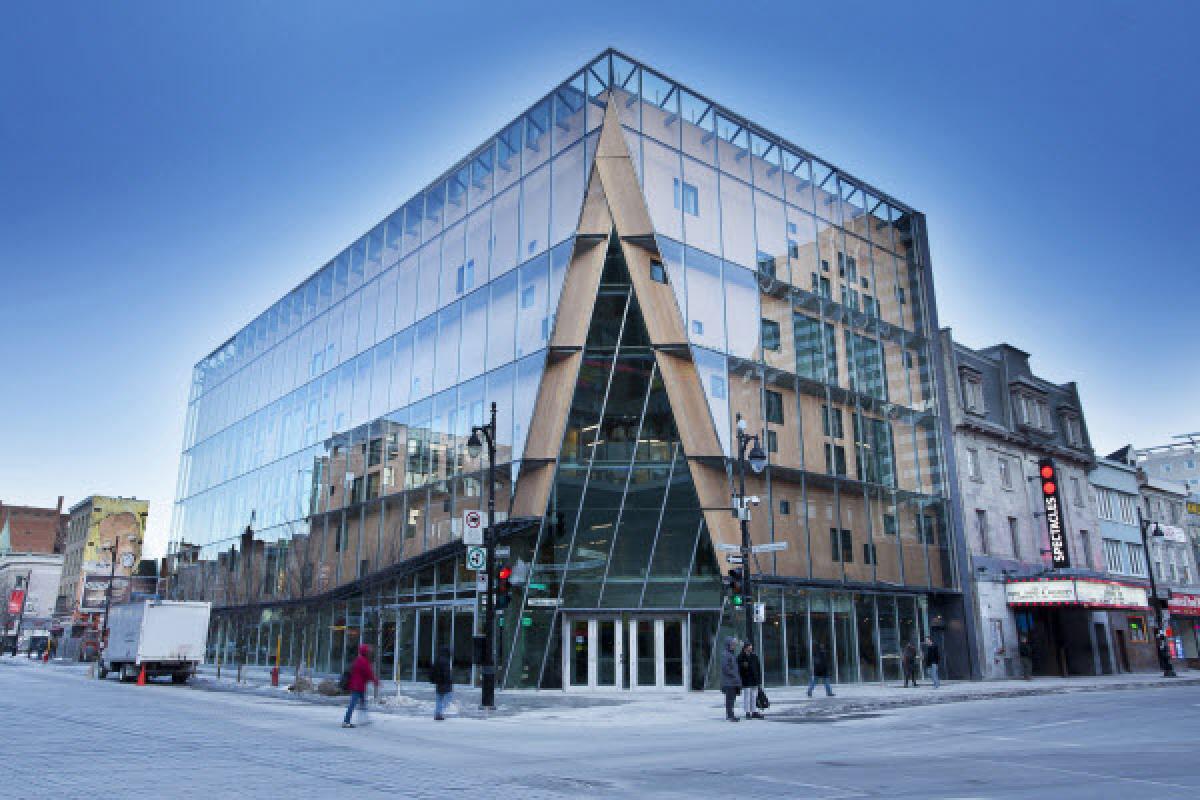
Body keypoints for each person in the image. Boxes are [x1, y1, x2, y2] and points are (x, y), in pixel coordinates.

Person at [342, 644, 379, 728]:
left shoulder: (359, 660)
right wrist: (376, 681)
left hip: (359, 686)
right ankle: (346, 721)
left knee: (363, 702)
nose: (370, 653)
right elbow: (369, 674)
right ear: (365, 652)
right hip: (357, 686)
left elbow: (366, 674)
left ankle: (364, 719)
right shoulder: (364, 661)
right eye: (368, 651)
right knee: (353, 704)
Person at [737, 642, 764, 720]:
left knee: (753, 696)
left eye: (751, 647)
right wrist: (743, 666)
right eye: (749, 647)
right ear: (745, 648)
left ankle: (754, 711)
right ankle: (747, 712)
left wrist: (759, 679)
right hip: (746, 680)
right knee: (747, 696)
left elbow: (758, 668)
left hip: (754, 680)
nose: (750, 649)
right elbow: (739, 669)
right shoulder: (741, 657)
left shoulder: (754, 656)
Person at [719, 637, 742, 722]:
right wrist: (733, 674)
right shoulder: (726, 654)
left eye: (734, 644)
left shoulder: (731, 654)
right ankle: (730, 715)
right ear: (728, 645)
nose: (733, 646)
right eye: (732, 644)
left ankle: (731, 714)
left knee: (732, 699)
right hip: (728, 682)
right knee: (729, 699)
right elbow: (725, 668)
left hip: (733, 681)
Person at [430, 646, 454, 720]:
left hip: (439, 683)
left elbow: (433, 671)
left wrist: (434, 680)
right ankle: (439, 713)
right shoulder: (445, 661)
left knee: (439, 698)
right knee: (448, 697)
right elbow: (446, 673)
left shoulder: (437, 660)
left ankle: (437, 714)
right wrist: (450, 681)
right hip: (445, 682)